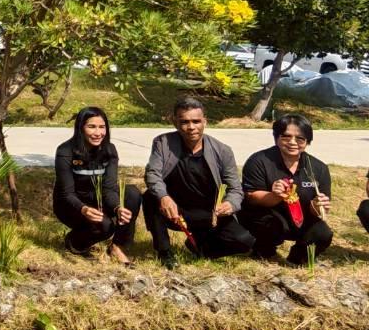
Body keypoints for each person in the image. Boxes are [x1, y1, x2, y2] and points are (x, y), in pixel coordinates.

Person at [143, 96, 253, 269]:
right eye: (184, 122)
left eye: (196, 121)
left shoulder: (223, 151)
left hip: (210, 213)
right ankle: (164, 252)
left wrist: (230, 204)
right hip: (175, 210)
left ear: (204, 122)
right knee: (151, 196)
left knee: (244, 241)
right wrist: (164, 197)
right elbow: (152, 174)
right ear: (175, 123)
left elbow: (235, 188)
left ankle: (200, 246)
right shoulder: (163, 143)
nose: (191, 127)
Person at [53, 107, 142, 264]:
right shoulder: (65, 151)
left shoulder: (109, 150)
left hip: (99, 199)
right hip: (71, 204)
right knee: (105, 227)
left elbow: (109, 188)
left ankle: (117, 247)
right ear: (80, 128)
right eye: (91, 127)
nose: (98, 133)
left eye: (102, 127)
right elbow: (67, 193)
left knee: (132, 193)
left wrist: (117, 208)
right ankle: (74, 243)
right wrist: (83, 209)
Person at [241, 113, 333, 266]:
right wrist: (275, 195)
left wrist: (317, 206)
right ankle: (264, 251)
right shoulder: (258, 161)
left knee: (323, 233)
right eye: (286, 137)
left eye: (300, 138)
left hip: (302, 218)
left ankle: (297, 257)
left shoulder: (319, 168)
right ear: (276, 137)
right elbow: (251, 197)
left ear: (307, 141)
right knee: (265, 223)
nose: (292, 142)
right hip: (269, 217)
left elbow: (319, 212)